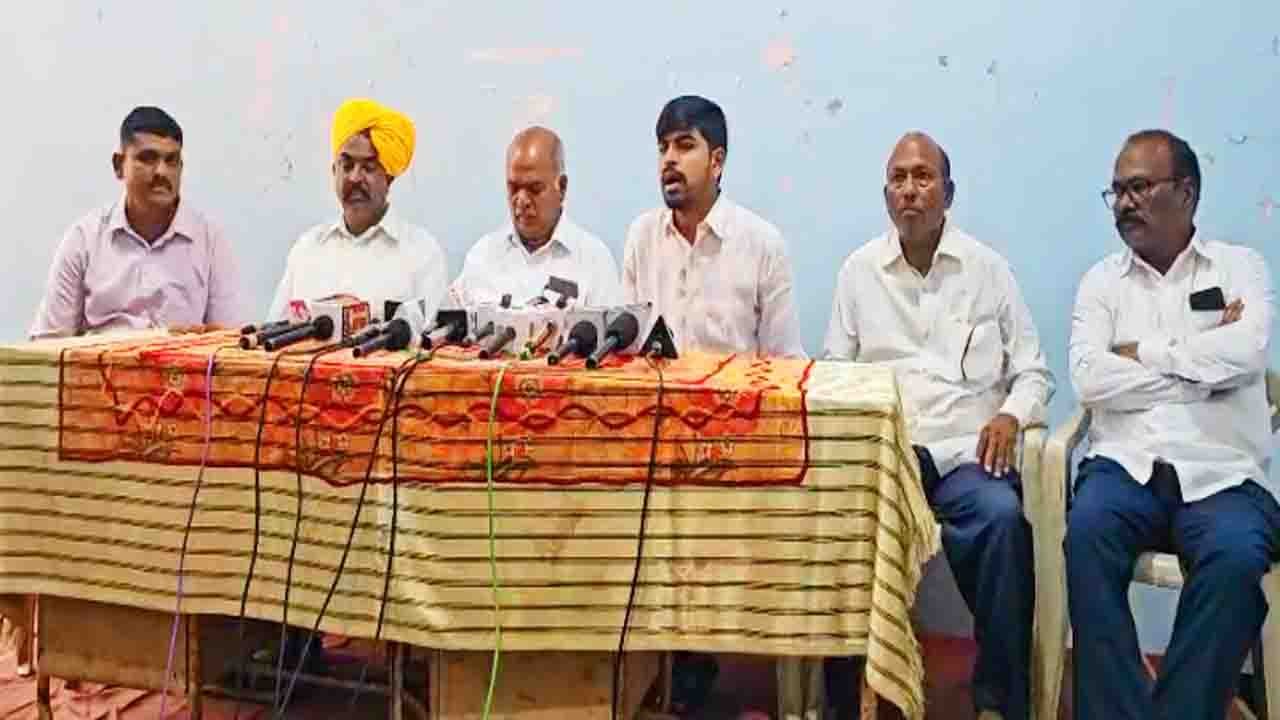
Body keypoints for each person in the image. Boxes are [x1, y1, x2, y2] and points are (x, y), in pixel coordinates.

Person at [822, 132, 1051, 720]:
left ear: (948, 193)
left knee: (1003, 521)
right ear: (886, 196)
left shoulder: (988, 270)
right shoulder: (858, 273)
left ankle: (1000, 700)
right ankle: (845, 701)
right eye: (898, 179)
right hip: (888, 457)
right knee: (840, 528)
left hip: (965, 457)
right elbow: (835, 374)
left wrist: (1011, 414)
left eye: (923, 177)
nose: (909, 190)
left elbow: (1033, 372)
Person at [1065, 129, 1276, 720]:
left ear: (1186, 192)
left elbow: (1247, 353)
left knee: (1238, 558)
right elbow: (1090, 379)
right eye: (1116, 192)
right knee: (1085, 536)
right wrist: (1200, 372)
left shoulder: (1241, 268)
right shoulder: (1101, 282)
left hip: (1222, 471)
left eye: (1139, 187)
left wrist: (1142, 352)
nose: (1124, 203)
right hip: (1124, 465)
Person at [30, 106, 241, 338]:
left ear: (181, 167)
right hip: (98, 361)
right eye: (148, 158)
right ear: (119, 165)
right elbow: (46, 342)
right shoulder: (84, 240)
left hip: (182, 362)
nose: (161, 172)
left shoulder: (210, 241)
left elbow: (230, 342)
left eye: (171, 160)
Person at [621, 95, 805, 358]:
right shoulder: (642, 236)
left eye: (684, 146)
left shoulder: (762, 244)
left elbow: (784, 362)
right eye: (663, 148)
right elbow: (626, 350)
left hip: (735, 385)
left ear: (716, 162)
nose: (669, 159)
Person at [266, 97, 447, 329]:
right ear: (334, 171)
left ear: (389, 178)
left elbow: (433, 343)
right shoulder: (307, 249)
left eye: (368, 168)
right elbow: (272, 334)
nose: (354, 177)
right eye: (347, 165)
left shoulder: (421, 253)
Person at [449, 126, 620, 308]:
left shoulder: (594, 261)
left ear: (562, 187)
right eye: (514, 188)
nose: (522, 200)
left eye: (534, 189)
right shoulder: (482, 257)